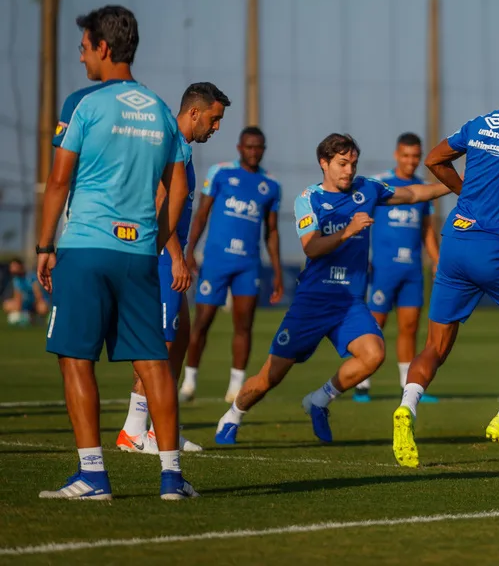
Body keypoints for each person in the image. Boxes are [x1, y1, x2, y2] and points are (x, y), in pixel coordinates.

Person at [36, 5, 197, 500]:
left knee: (74, 358)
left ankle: (92, 476)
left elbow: (59, 179)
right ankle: (172, 478)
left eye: (84, 48)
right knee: (153, 361)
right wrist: (154, 235)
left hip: (85, 248)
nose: (81, 57)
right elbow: (179, 186)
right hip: (137, 254)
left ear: (104, 48)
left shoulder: (84, 104)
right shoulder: (158, 110)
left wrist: (45, 245)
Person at [214, 134, 449, 445]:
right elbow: (311, 248)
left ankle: (320, 399)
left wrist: (456, 184)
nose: (348, 171)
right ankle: (233, 415)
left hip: (349, 302)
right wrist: (348, 230)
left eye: (352, 164)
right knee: (271, 376)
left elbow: (413, 194)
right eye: (341, 164)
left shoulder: (367, 189)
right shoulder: (307, 199)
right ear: (323, 163)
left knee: (373, 354)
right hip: (312, 302)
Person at [392, 63, 499, 469]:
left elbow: (436, 159)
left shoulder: (477, 124)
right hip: (493, 249)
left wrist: (464, 191)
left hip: (454, 243)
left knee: (435, 346)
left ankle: (407, 407)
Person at [116, 82, 231, 454]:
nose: (216, 128)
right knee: (162, 344)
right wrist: (178, 256)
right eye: (214, 120)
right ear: (194, 113)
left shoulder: (182, 147)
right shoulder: (169, 144)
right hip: (161, 255)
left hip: (172, 254)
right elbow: (158, 206)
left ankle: (158, 428)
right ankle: (137, 429)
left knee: (177, 341)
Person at [181, 126, 285, 403]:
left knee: (244, 324)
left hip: (248, 265)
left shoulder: (271, 185)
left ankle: (235, 385)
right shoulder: (220, 173)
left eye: (258, 147)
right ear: (239, 148)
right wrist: (190, 251)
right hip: (215, 261)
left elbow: (271, 232)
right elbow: (201, 215)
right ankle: (189, 382)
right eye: (249, 147)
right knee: (202, 321)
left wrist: (277, 271)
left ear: (263, 150)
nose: (253, 152)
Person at [352, 132, 441, 404]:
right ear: (396, 155)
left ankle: (408, 385)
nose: (411, 161)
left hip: (412, 270)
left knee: (410, 326)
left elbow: (427, 230)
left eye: (416, 156)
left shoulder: (423, 190)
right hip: (383, 268)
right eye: (406, 155)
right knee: (375, 324)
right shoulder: (382, 185)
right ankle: (362, 383)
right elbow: (363, 221)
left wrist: (436, 259)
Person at [4, 258, 44, 326]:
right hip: (23, 303)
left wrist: (35, 303)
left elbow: (38, 294)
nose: (12, 269)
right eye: (11, 267)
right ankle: (26, 317)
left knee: (43, 308)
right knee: (6, 305)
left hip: (33, 303)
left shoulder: (31, 276)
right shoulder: (16, 279)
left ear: (20, 266)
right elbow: (17, 296)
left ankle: (32, 317)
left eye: (14, 267)